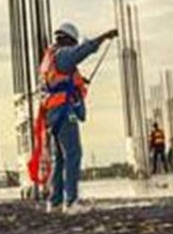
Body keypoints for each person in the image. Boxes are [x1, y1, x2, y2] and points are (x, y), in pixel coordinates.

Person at [38, 22, 118, 213]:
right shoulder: (63, 54)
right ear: (67, 40)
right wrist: (104, 36)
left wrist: (78, 83)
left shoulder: (49, 58)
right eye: (73, 43)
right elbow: (83, 51)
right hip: (64, 112)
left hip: (52, 113)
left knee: (61, 159)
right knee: (73, 154)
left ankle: (55, 201)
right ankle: (71, 202)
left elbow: (60, 81)